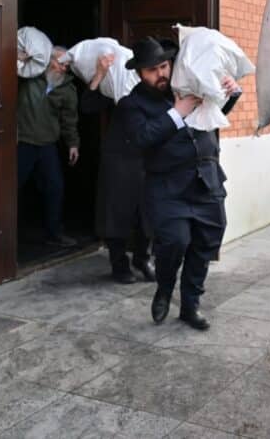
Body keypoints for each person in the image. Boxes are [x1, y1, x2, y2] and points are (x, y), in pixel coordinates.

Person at [118, 36, 241, 330]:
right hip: (166, 187)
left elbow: (211, 116)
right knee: (175, 241)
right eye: (151, 70)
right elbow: (142, 138)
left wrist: (230, 95)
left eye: (163, 66)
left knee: (206, 243)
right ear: (139, 73)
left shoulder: (190, 85)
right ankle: (164, 287)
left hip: (206, 180)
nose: (160, 74)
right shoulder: (131, 104)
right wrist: (177, 113)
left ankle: (190, 305)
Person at [80, 50, 158, 284]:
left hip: (148, 159)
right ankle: (119, 264)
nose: (157, 73)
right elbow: (87, 106)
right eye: (151, 69)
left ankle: (143, 259)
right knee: (117, 213)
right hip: (119, 159)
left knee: (148, 213)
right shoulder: (116, 85)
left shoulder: (160, 92)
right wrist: (100, 73)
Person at [17, 45, 80, 247]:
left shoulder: (67, 89)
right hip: (22, 142)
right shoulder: (28, 77)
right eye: (60, 63)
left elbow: (69, 119)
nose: (63, 69)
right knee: (11, 188)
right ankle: (4, 236)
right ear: (47, 60)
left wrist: (73, 144)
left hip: (47, 145)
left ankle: (53, 233)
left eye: (67, 65)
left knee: (55, 188)